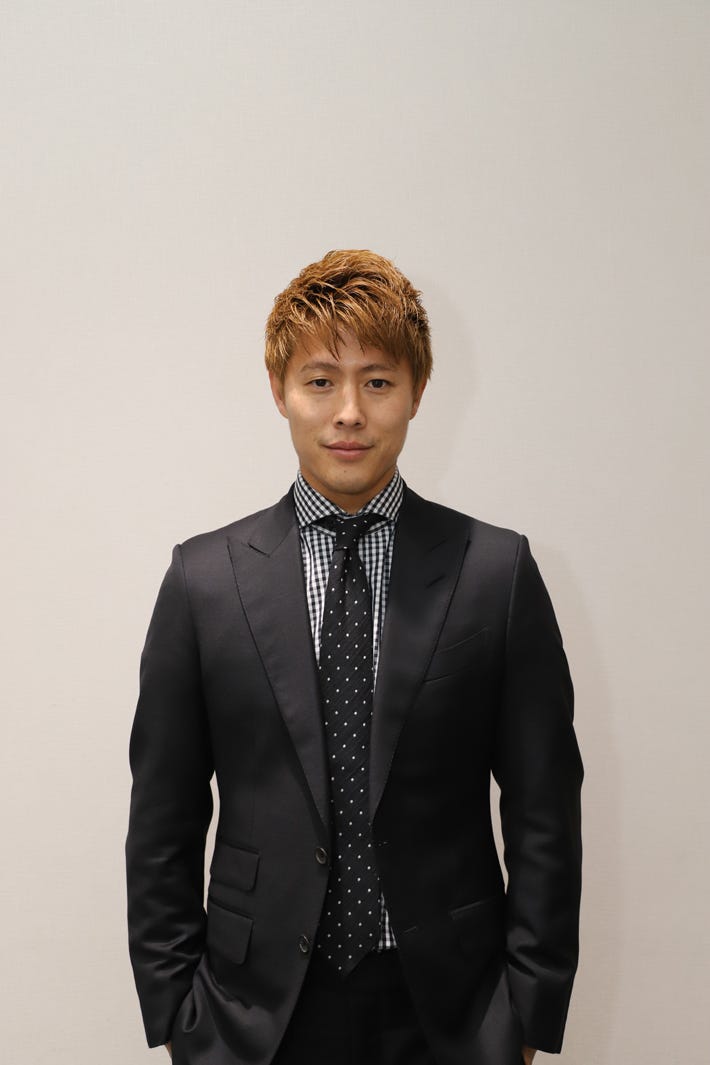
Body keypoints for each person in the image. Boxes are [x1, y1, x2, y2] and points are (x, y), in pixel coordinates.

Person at [126, 249, 583, 1065]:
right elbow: (163, 815)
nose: (349, 412)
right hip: (254, 1018)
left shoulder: (494, 572)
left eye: (377, 381)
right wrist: (179, 1013)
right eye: (320, 381)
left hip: (452, 1015)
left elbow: (545, 807)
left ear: (417, 392)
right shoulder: (203, 581)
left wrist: (525, 1014)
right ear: (279, 391)